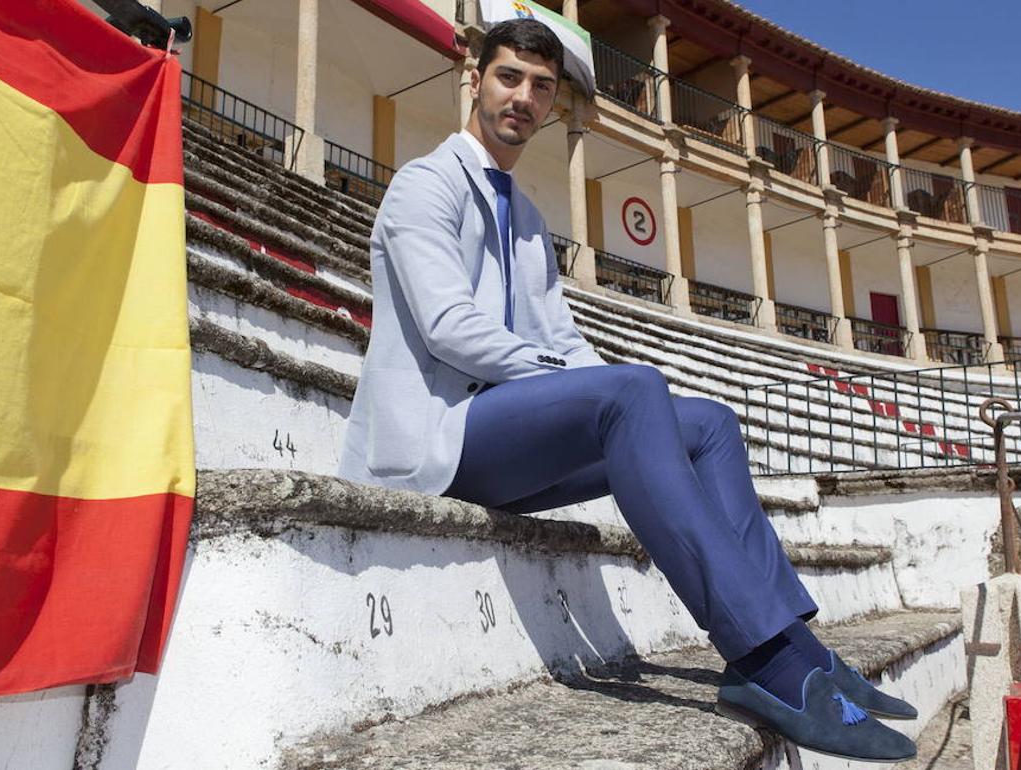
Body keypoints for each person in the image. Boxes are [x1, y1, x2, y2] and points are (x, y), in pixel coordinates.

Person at [338, 18, 918, 762]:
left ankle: (798, 647)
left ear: (552, 105)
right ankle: (764, 665)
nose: (523, 97)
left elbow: (565, 338)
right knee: (631, 393)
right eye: (509, 77)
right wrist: (595, 384)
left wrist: (608, 385)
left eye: (541, 87)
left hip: (504, 435)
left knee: (705, 422)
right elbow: (450, 327)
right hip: (439, 438)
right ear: (475, 79)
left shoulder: (525, 218)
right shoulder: (426, 183)